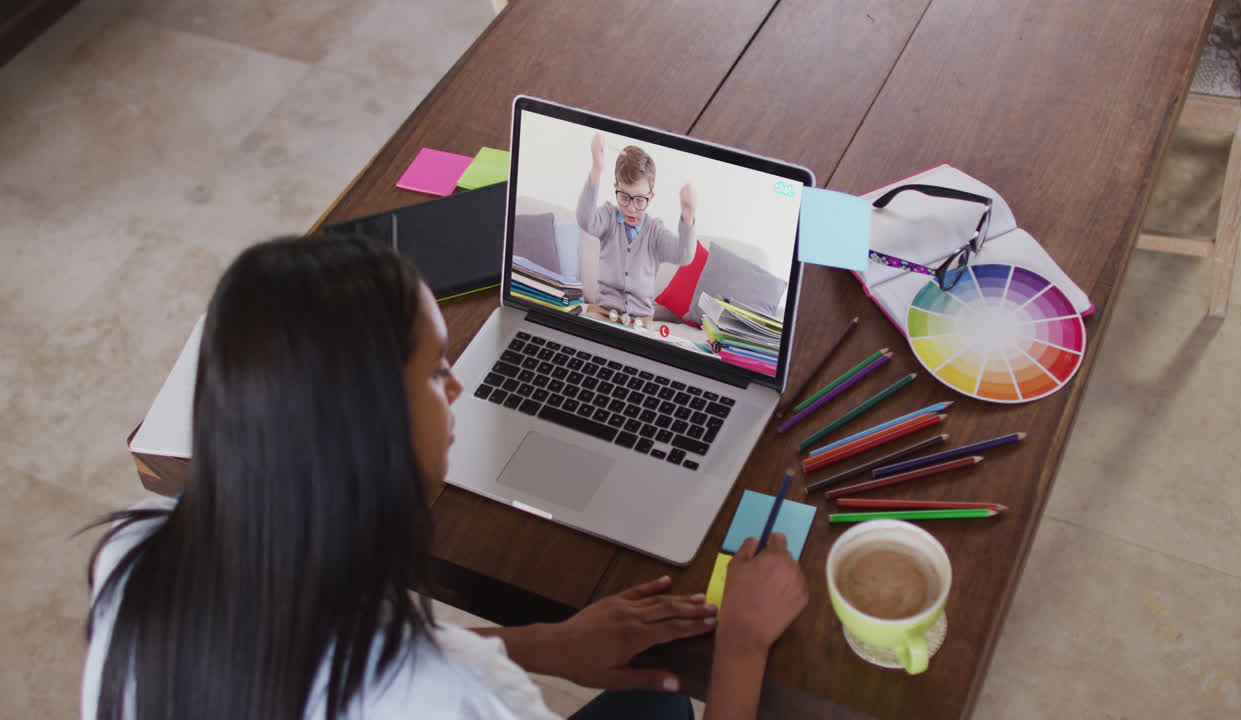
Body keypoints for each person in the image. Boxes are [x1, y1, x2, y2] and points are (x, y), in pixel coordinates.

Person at [82, 234, 808, 720]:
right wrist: (741, 644)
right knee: (668, 700)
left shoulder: (135, 558)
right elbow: (423, 682)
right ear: (371, 431)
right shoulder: (453, 700)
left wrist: (545, 645)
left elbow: (326, 657)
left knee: (650, 702)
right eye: (434, 371)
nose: (458, 385)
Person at [576, 134, 697, 327]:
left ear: (652, 196)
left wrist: (688, 217)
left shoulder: (655, 232)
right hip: (602, 312)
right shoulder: (608, 218)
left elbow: (684, 256)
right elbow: (585, 220)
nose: (632, 208)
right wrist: (596, 170)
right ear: (615, 188)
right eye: (624, 197)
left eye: (640, 200)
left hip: (640, 322)